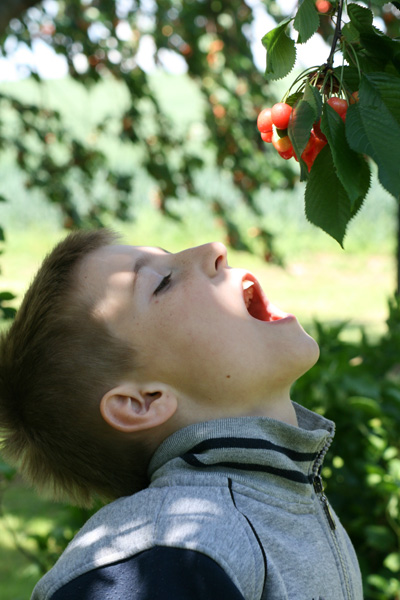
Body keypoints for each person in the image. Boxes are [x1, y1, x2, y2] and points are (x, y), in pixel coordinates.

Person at [0, 229, 363, 600]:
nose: (214, 249)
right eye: (162, 282)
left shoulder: (279, 507)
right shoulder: (163, 556)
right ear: (142, 402)